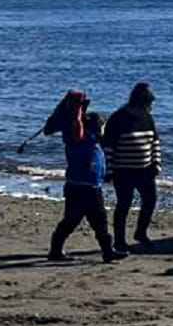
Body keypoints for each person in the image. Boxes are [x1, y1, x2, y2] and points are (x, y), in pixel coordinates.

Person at [45, 98, 120, 263]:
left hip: (92, 186)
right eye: (101, 127)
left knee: (99, 220)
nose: (103, 130)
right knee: (72, 220)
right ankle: (55, 251)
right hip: (79, 187)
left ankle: (108, 251)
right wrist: (79, 108)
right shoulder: (78, 139)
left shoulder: (95, 142)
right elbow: (74, 122)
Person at [103, 81, 162, 253]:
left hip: (145, 170)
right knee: (124, 204)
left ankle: (141, 232)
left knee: (150, 201)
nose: (149, 109)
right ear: (138, 104)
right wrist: (109, 171)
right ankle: (119, 241)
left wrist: (156, 163)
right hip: (123, 171)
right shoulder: (117, 119)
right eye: (148, 105)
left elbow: (155, 142)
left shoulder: (148, 119)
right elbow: (108, 148)